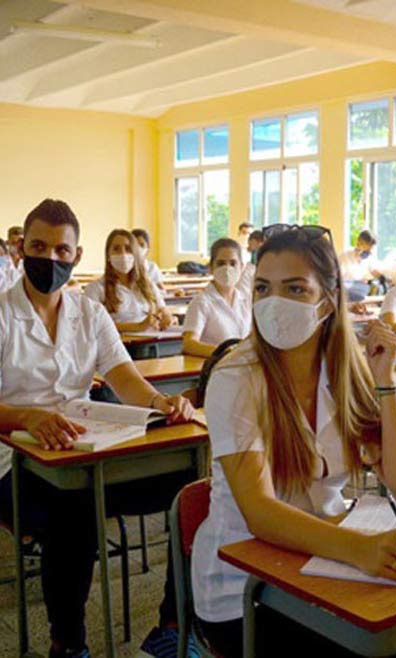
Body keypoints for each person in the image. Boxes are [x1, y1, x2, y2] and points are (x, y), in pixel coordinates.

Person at [191, 224, 396, 658]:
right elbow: (261, 514)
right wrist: (360, 549)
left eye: (295, 289)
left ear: (327, 299)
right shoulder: (236, 376)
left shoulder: (343, 368)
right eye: (263, 288)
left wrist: (385, 383)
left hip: (328, 559)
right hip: (246, 589)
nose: (274, 303)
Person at [0, 199, 196, 658]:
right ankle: (67, 643)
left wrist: (159, 401)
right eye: (38, 246)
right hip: (13, 459)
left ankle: (173, 621)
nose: (49, 259)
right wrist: (27, 417)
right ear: (19, 249)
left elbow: (123, 374)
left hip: (84, 448)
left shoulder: (88, 313)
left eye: (61, 250)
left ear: (77, 255)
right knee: (75, 510)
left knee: (190, 489)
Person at [85, 229, 174, 333]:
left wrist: (167, 318)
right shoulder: (95, 288)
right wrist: (138, 326)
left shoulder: (147, 285)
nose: (123, 254)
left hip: (151, 341)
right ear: (108, 256)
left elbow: (163, 308)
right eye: (116, 249)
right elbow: (94, 325)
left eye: (128, 249)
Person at [182, 238, 250, 358]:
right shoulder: (201, 302)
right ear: (211, 267)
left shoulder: (246, 300)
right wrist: (226, 352)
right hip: (218, 368)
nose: (227, 269)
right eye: (221, 263)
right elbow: (189, 344)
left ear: (242, 267)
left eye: (233, 263)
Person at [235, 229, 265, 296]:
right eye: (253, 250)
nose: (257, 252)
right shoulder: (249, 271)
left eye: (259, 248)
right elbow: (242, 294)